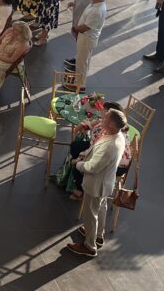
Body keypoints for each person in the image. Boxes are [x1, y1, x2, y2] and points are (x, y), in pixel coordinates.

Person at [66, 109, 128, 258]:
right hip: (106, 183)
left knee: (90, 214)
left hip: (96, 185)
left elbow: (92, 167)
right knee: (101, 208)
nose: (102, 119)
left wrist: (77, 164)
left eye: (105, 118)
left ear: (112, 125)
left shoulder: (109, 146)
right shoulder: (119, 136)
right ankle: (99, 235)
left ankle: (89, 246)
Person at [54, 102, 131, 201]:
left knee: (77, 167)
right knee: (75, 146)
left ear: (109, 116)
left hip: (116, 166)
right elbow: (93, 136)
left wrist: (79, 160)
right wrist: (88, 125)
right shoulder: (115, 126)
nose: (101, 111)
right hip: (113, 157)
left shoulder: (107, 132)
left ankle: (81, 189)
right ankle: (77, 175)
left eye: (103, 110)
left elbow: (93, 148)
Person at [67, 0, 109, 87]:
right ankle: (79, 80)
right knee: (83, 61)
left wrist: (75, 28)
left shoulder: (97, 11)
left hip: (86, 38)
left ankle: (79, 86)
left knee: (81, 63)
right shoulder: (95, 3)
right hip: (85, 37)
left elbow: (86, 27)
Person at [64, 0, 99, 73]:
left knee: (83, 51)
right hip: (77, 25)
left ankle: (78, 71)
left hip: (82, 30)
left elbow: (88, 24)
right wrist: (73, 3)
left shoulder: (92, 1)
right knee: (79, 45)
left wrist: (77, 29)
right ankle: (77, 59)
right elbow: (78, 1)